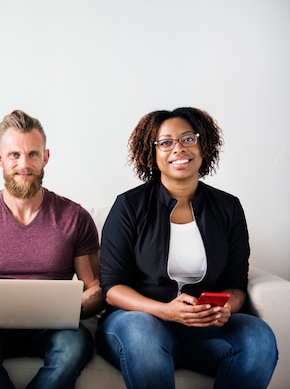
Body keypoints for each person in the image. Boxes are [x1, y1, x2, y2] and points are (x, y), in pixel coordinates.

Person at [96, 107, 278, 389]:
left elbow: (236, 283)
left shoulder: (228, 207)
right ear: (152, 152)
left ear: (203, 144)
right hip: (138, 322)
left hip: (203, 328)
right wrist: (164, 310)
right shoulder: (129, 206)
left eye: (188, 139)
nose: (178, 149)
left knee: (258, 336)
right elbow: (112, 286)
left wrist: (226, 306)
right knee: (142, 332)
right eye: (166, 142)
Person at [0, 109, 105, 389]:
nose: (24, 164)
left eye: (33, 154)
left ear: (45, 157)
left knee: (77, 342)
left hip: (54, 328)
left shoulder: (75, 217)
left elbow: (94, 287)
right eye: (14, 155)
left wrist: (73, 306)